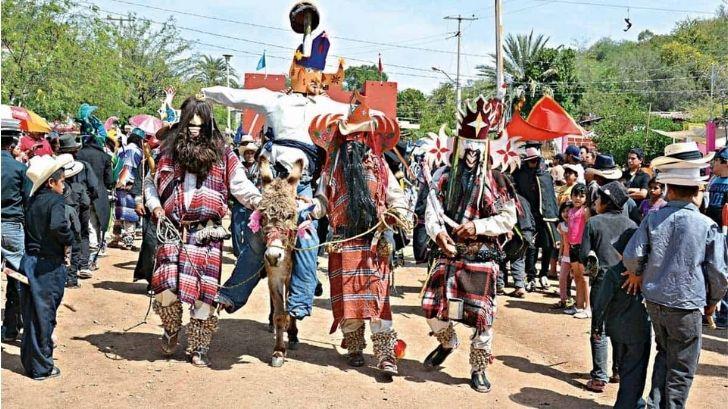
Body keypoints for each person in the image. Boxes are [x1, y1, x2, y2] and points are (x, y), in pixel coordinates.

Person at [203, 26, 349, 320]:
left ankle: (300, 301)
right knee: (257, 239)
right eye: (305, 71)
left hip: (303, 187)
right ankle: (232, 294)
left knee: (307, 241)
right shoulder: (274, 99)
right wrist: (206, 94)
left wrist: (374, 119)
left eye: (315, 76)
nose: (310, 80)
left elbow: (358, 112)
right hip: (271, 184)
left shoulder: (325, 104)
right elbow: (235, 95)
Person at [144, 94, 261, 367]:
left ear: (208, 125)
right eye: (190, 125)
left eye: (200, 125)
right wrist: (155, 206)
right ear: (183, 123)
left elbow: (241, 187)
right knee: (165, 289)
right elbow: (151, 184)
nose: (194, 130)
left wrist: (262, 201)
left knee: (204, 296)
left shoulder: (224, 154)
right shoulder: (167, 152)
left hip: (207, 234)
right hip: (172, 231)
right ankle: (171, 328)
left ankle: (199, 347)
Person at [422, 96, 518, 393]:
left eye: (478, 150)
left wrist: (477, 226)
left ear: (486, 149)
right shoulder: (444, 177)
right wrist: (440, 235)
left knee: (482, 319)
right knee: (430, 308)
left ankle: (478, 368)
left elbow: (507, 219)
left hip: (482, 257)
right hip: (449, 254)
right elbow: (432, 211)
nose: (472, 157)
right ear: (458, 148)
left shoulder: (498, 181)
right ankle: (448, 342)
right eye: (467, 150)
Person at [308, 93, 407, 376]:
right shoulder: (332, 168)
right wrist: (307, 210)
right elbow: (322, 201)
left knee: (378, 301)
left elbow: (396, 198)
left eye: (361, 135)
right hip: (343, 241)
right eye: (350, 137)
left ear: (368, 137)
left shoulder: (381, 167)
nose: (355, 141)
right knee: (347, 300)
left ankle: (386, 355)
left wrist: (396, 213)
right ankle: (354, 346)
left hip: (374, 244)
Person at [622, 142, 727, 408]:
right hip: (686, 304)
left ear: (668, 188)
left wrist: (640, 274)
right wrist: (713, 302)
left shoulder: (654, 218)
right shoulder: (707, 225)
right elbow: (718, 272)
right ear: (697, 191)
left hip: (656, 301)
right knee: (681, 366)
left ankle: (655, 404)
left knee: (664, 353)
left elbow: (633, 256)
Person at [16, 154, 74, 380]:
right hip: (47, 266)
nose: (64, 185)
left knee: (32, 313)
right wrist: (68, 238)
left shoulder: (32, 201)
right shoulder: (55, 201)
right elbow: (59, 227)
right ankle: (41, 367)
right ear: (51, 182)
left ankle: (32, 362)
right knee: (44, 315)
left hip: (29, 261)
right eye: (62, 181)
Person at [580, 181, 638, 393]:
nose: (595, 202)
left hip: (602, 282)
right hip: (626, 282)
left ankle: (598, 378)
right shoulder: (632, 226)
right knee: (621, 328)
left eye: (598, 198)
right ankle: (618, 371)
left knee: (599, 328)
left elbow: (583, 255)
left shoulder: (593, 224)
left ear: (606, 201)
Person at [592, 236, 651, 409]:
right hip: (639, 329)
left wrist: (597, 326)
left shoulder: (613, 272)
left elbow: (601, 303)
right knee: (636, 370)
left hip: (616, 329)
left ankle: (632, 402)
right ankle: (628, 404)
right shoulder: (648, 273)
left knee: (625, 367)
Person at [512, 146, 558, 292]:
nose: (534, 163)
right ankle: (530, 276)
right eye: (531, 161)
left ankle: (543, 273)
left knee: (548, 245)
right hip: (528, 215)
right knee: (531, 246)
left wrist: (553, 214)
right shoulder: (520, 175)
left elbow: (550, 196)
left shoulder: (545, 175)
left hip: (546, 216)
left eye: (536, 160)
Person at [1, 120, 31, 342]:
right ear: (12, 144)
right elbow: (28, 201)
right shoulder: (20, 169)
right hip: (11, 226)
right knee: (18, 277)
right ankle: (12, 328)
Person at [57, 133, 99, 280]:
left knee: (67, 234)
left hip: (63, 202)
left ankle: (67, 267)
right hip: (82, 202)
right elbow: (93, 185)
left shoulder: (56, 166)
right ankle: (83, 265)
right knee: (83, 233)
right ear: (75, 151)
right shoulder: (84, 166)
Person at [76, 133, 114, 265]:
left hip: (79, 194)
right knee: (95, 224)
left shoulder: (78, 154)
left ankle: (82, 256)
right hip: (99, 195)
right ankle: (91, 257)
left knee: (82, 224)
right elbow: (109, 180)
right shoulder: (105, 157)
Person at [111, 128, 145, 250]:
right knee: (130, 212)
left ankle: (116, 238)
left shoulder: (121, 149)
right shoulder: (139, 152)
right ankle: (128, 241)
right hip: (131, 184)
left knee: (118, 211)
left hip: (118, 184)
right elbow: (136, 169)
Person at [706, 147, 728, 329]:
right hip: (712, 231)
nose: (713, 164)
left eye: (717, 161)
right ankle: (711, 311)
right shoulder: (713, 180)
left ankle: (724, 314)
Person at [564, 183, 589, 318]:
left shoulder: (585, 211)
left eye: (581, 196)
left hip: (582, 247)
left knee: (585, 278)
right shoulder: (571, 211)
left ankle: (588, 307)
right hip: (573, 247)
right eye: (575, 195)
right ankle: (579, 305)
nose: (578, 198)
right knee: (577, 277)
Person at [551, 201, 574, 310]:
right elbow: (562, 242)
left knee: (576, 279)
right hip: (565, 256)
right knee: (562, 278)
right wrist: (559, 256)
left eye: (568, 211)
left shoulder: (577, 224)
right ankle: (563, 299)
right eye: (564, 211)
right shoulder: (561, 226)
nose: (565, 214)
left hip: (575, 257)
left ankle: (577, 301)